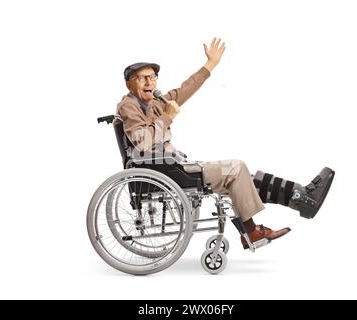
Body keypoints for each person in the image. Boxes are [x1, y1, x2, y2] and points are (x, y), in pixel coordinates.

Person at [116, 38, 335, 250]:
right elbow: (143, 143)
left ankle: (301, 196)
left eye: (153, 77)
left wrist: (210, 64)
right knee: (236, 168)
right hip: (164, 172)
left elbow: (185, 89)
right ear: (129, 83)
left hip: (170, 167)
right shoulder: (128, 106)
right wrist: (168, 117)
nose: (149, 82)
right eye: (142, 78)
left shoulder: (155, 102)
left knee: (246, 179)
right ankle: (252, 231)